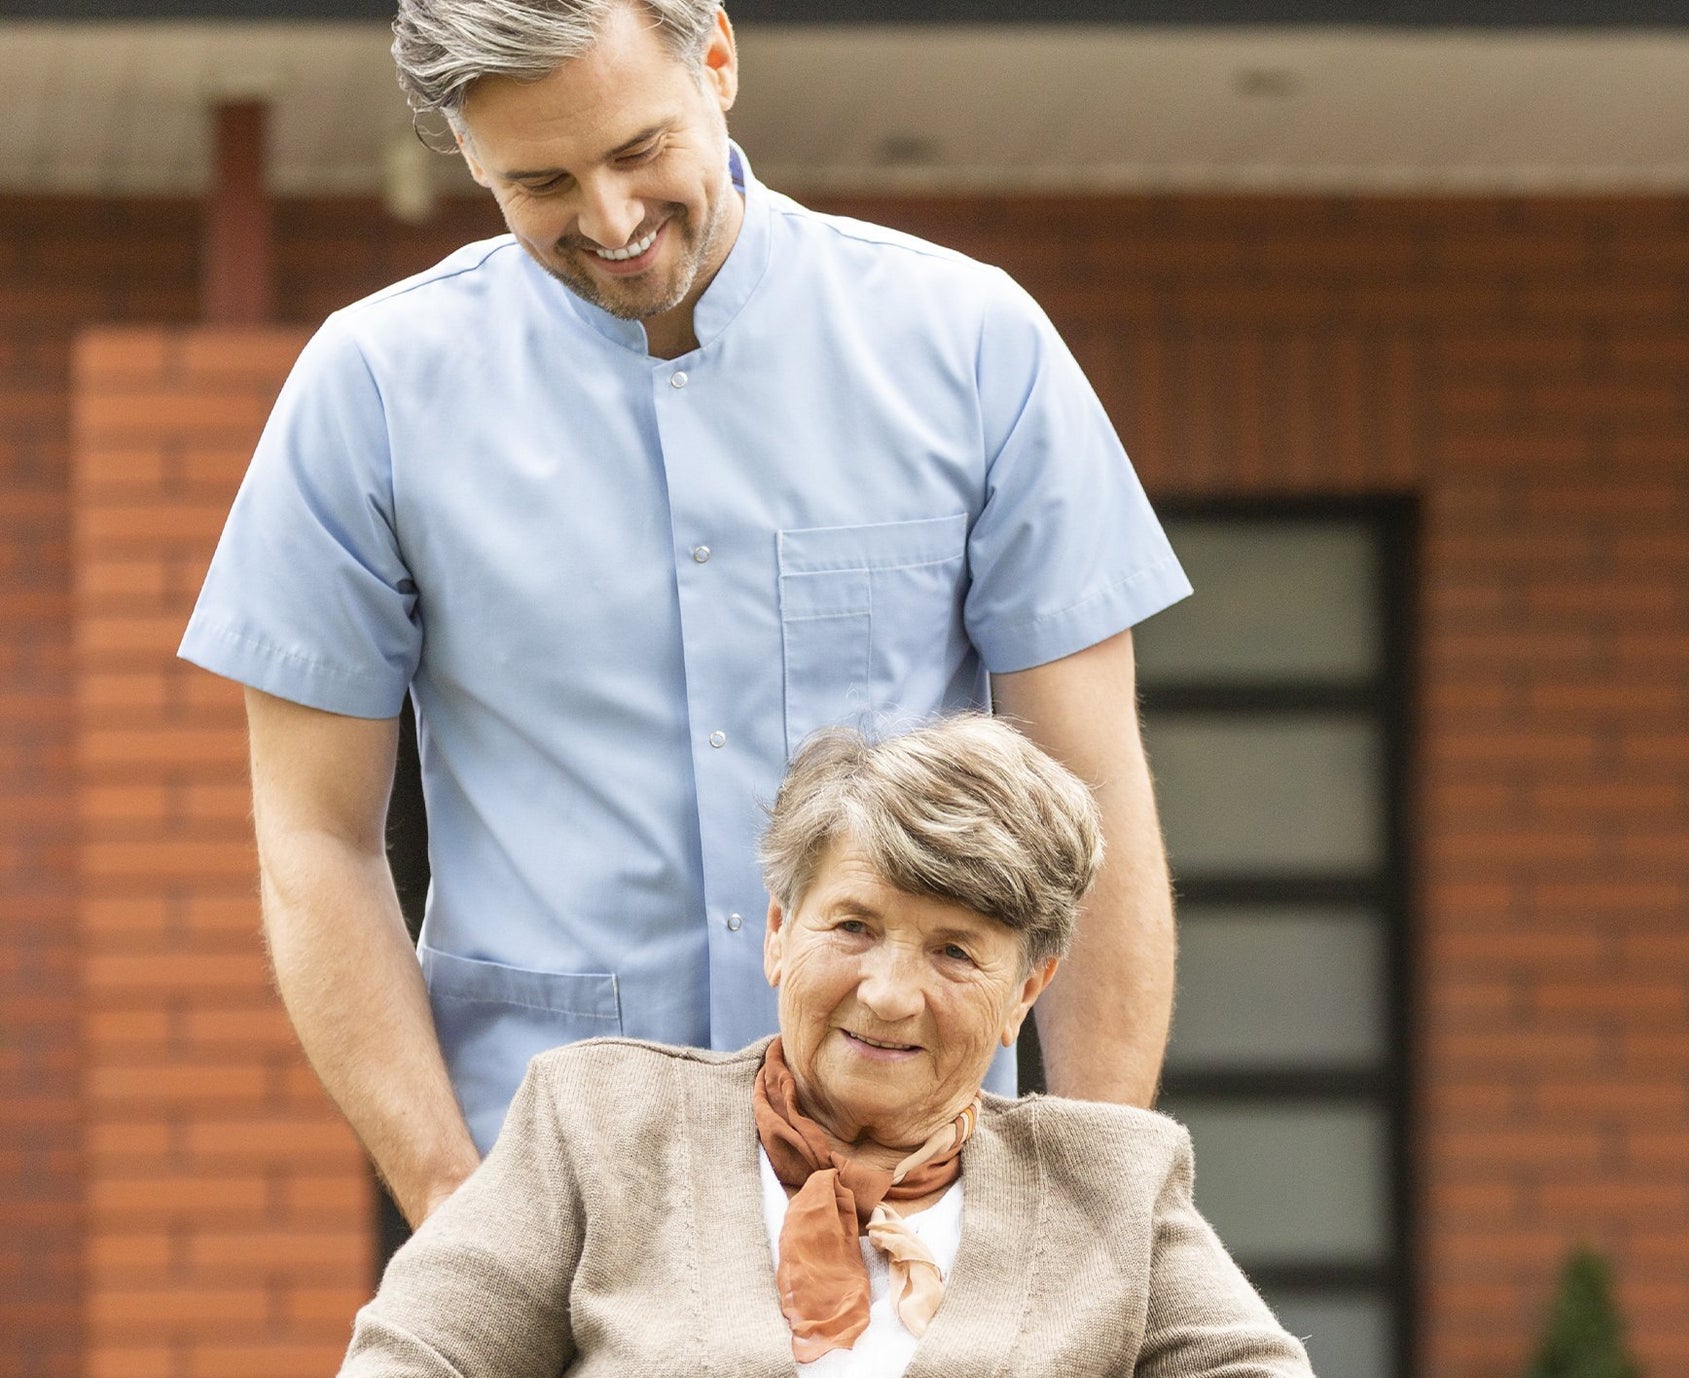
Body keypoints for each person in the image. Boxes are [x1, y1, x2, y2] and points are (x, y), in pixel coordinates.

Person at [179, 0, 1188, 1230]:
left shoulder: (973, 345)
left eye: (636, 151)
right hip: (555, 1197)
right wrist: (453, 1203)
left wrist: (1088, 1204)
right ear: (463, 151)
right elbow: (316, 840)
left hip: (930, 1194)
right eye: (540, 181)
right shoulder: (371, 390)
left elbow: (1094, 800)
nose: (607, 222)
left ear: (715, 57)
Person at [305, 717, 1368, 1378]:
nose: (888, 992)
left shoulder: (1110, 1183)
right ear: (777, 929)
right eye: (852, 926)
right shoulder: (598, 1123)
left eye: (955, 949)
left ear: (1025, 993)